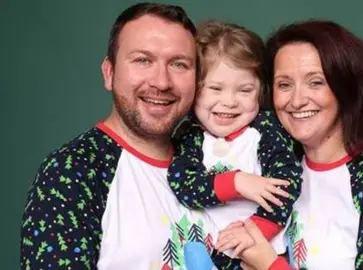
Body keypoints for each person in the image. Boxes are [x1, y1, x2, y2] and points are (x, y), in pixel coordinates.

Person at [19, 3, 218, 269]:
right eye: (142, 60)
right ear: (109, 73)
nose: (161, 82)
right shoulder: (71, 172)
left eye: (179, 64)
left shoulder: (211, 161)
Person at [219, 20, 363, 270]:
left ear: (346, 88)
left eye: (315, 82)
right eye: (284, 85)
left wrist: (269, 265)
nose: (297, 100)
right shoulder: (272, 176)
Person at [167, 20, 302, 269]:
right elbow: (183, 184)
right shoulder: (192, 134)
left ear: (261, 92)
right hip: (214, 251)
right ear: (195, 89)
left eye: (244, 90)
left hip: (262, 247)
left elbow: (288, 184)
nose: (228, 102)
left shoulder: (266, 130)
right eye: (215, 88)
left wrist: (257, 230)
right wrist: (236, 182)